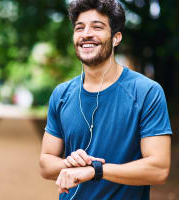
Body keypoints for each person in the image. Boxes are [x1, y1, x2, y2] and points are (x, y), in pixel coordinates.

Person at [39, 0, 172, 199]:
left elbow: (159, 169)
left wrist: (96, 170)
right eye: (79, 28)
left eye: (97, 27)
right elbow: (45, 164)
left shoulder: (146, 92)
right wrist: (71, 163)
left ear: (116, 37)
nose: (86, 34)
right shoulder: (61, 94)